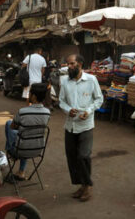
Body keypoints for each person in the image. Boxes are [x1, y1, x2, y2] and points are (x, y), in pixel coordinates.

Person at [58, 54, 103, 202]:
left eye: (71, 64)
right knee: (72, 157)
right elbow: (61, 101)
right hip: (70, 126)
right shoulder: (65, 81)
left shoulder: (91, 80)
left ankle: (87, 186)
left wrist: (88, 111)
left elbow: (99, 99)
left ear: (80, 64)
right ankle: (81, 185)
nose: (69, 66)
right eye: (68, 64)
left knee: (83, 156)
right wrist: (67, 110)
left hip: (86, 125)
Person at [4, 83, 51, 181]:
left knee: (9, 124)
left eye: (29, 93)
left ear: (33, 96)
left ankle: (10, 151)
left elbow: (13, 126)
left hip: (20, 150)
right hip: (38, 150)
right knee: (25, 136)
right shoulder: (47, 112)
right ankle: (21, 172)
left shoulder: (23, 111)